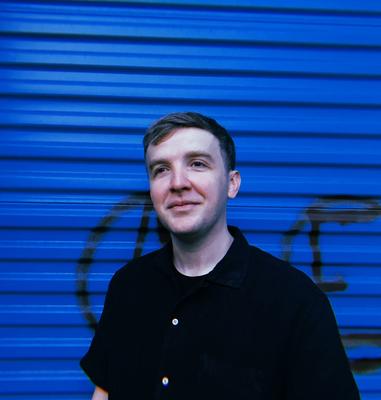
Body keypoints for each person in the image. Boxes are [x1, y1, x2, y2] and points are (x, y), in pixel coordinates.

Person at [81, 112, 360, 400]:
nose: (178, 182)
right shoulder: (128, 285)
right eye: (161, 169)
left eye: (197, 164)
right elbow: (104, 392)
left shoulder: (295, 301)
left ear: (232, 184)